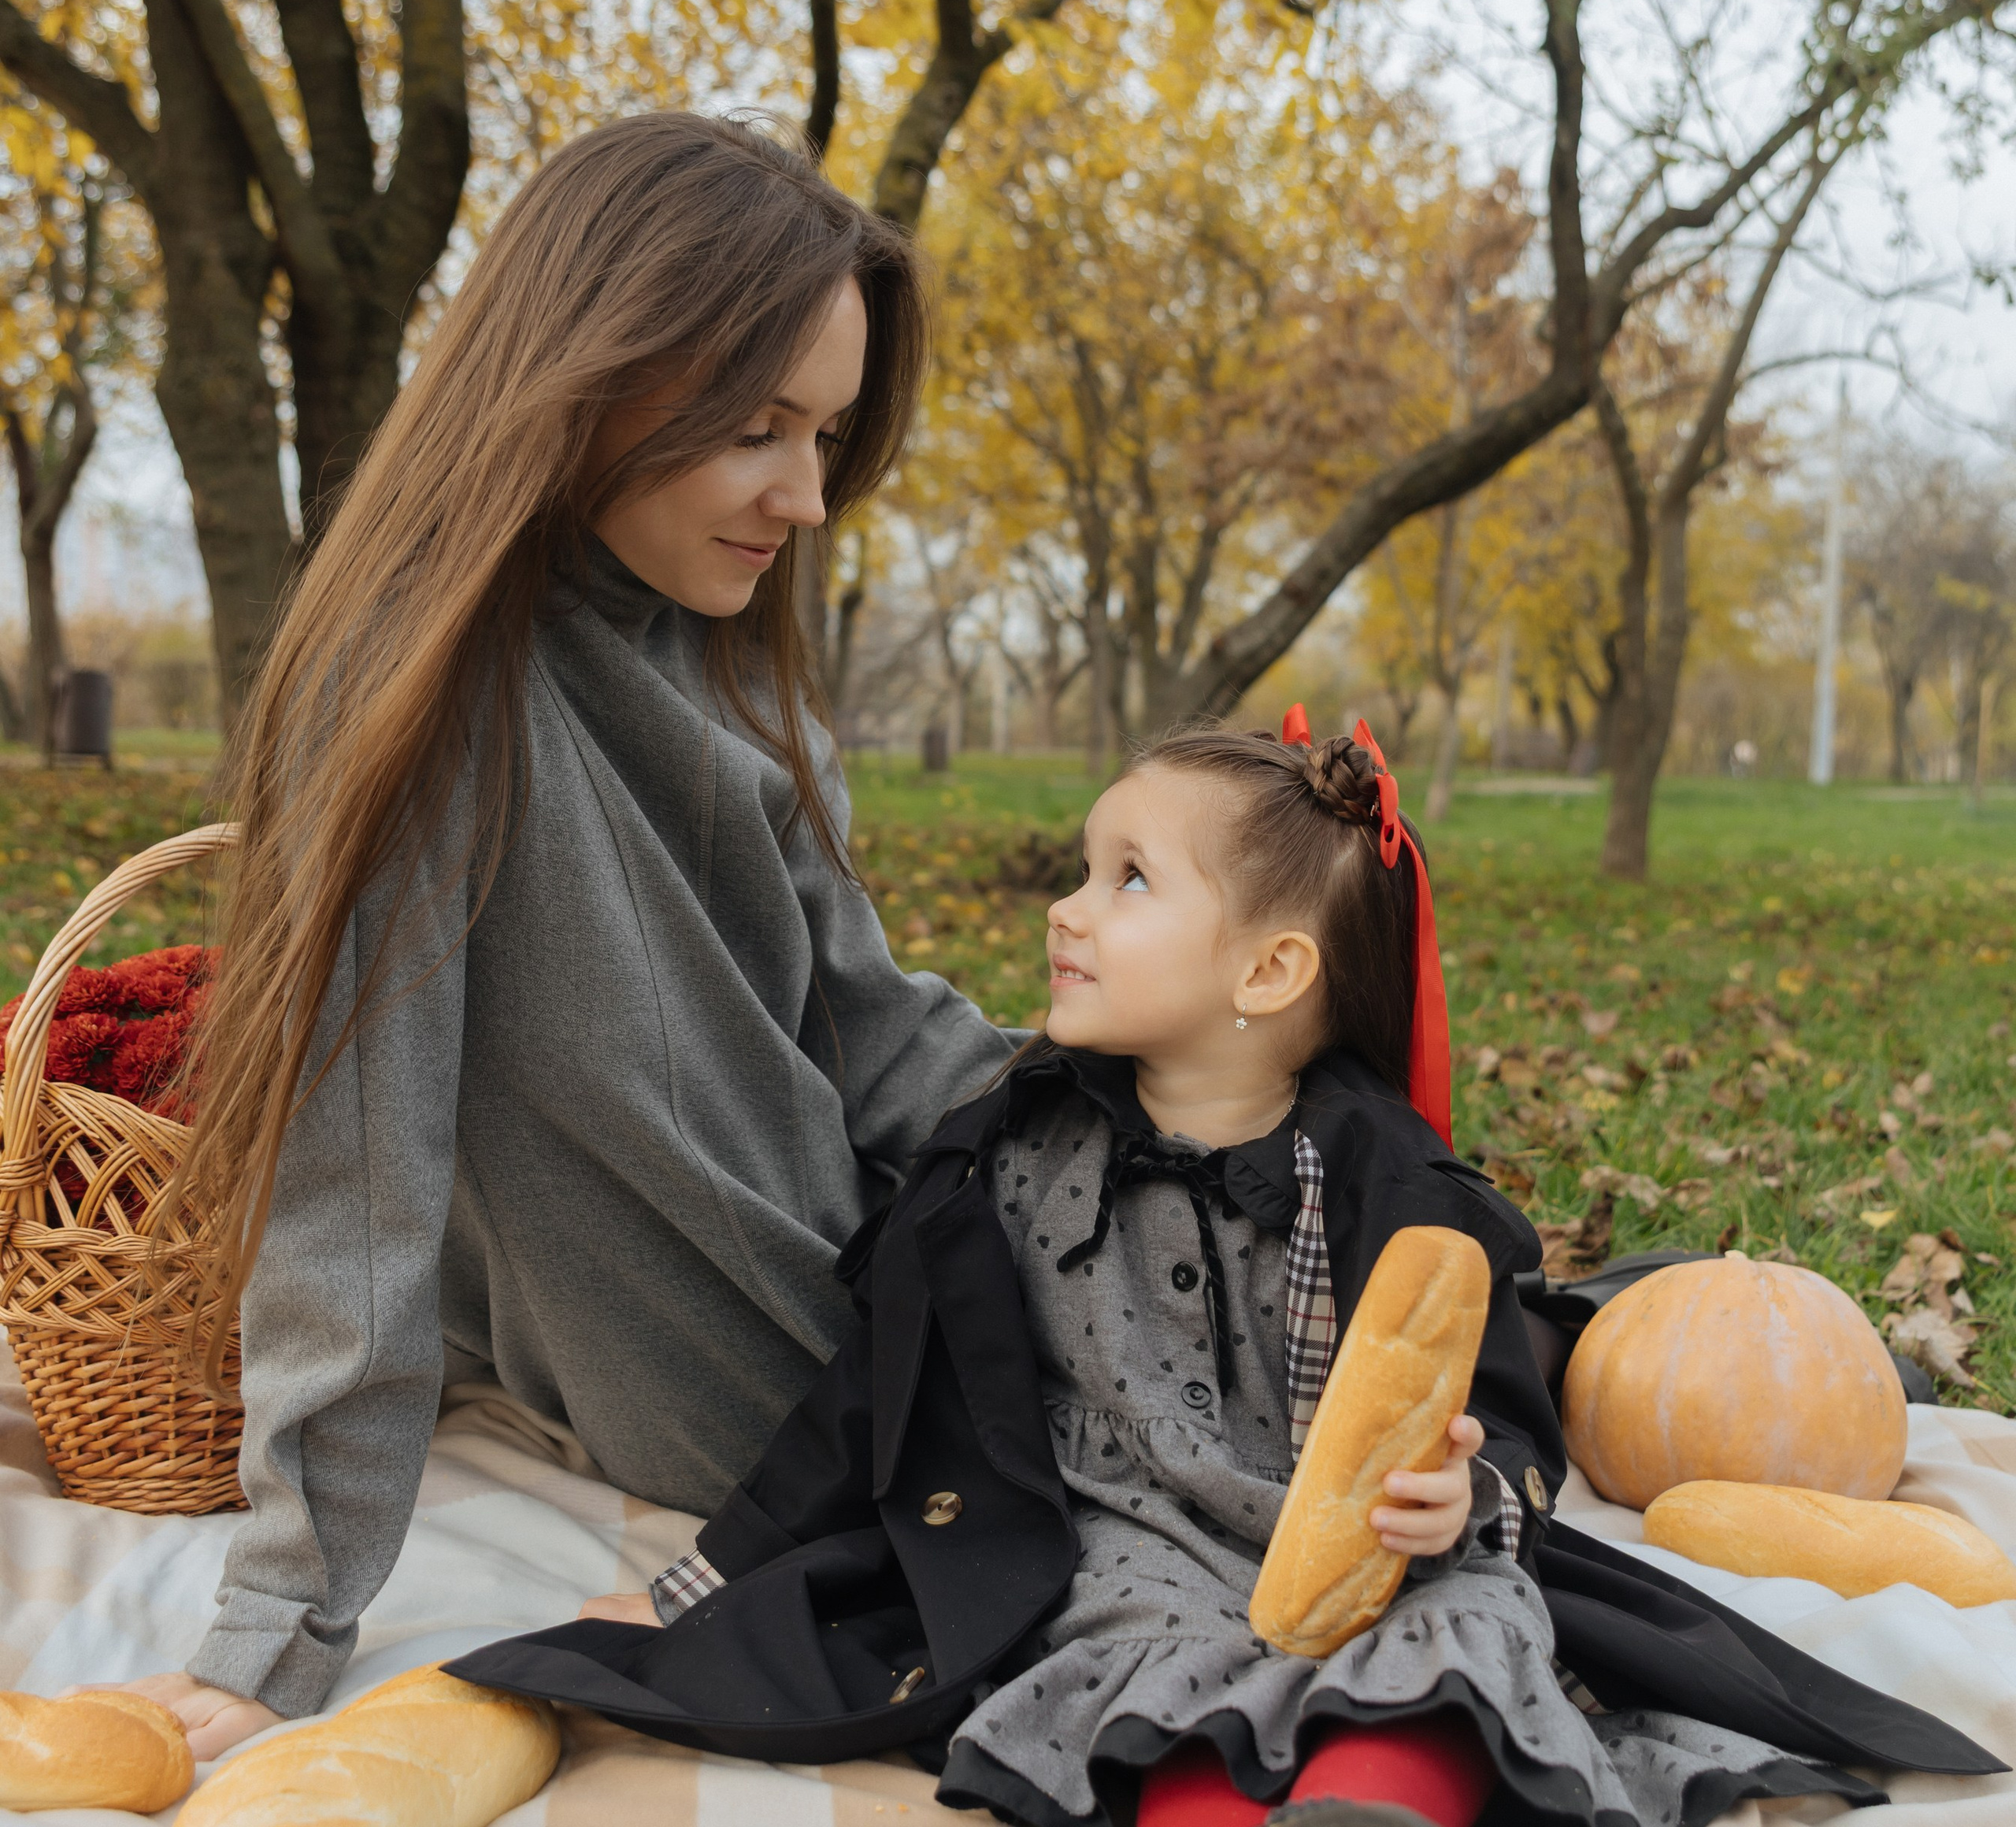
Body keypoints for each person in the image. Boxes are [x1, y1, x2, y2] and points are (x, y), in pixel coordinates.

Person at [451, 718, 1999, 1826]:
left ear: (1267, 973)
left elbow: (1500, 1410)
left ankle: (1376, 1799)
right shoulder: (1003, 1156)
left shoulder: (1385, 1181)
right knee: (1137, 1668)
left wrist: (1470, 1496)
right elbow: (860, 1412)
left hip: (1358, 1545)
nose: (1064, 905)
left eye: (1125, 879)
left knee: (1459, 1629)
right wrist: (685, 1586)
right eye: (1081, 865)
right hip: (1128, 1545)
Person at [117, 112, 1016, 1758]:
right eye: (759, 427)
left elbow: (875, 1032)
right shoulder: (424, 692)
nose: (806, 496)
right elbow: (356, 1178)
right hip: (786, 1384)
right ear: (598, 376)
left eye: (821, 435)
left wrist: (1135, 1103)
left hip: (892, 1254)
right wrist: (277, 1629)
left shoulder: (716, 645)